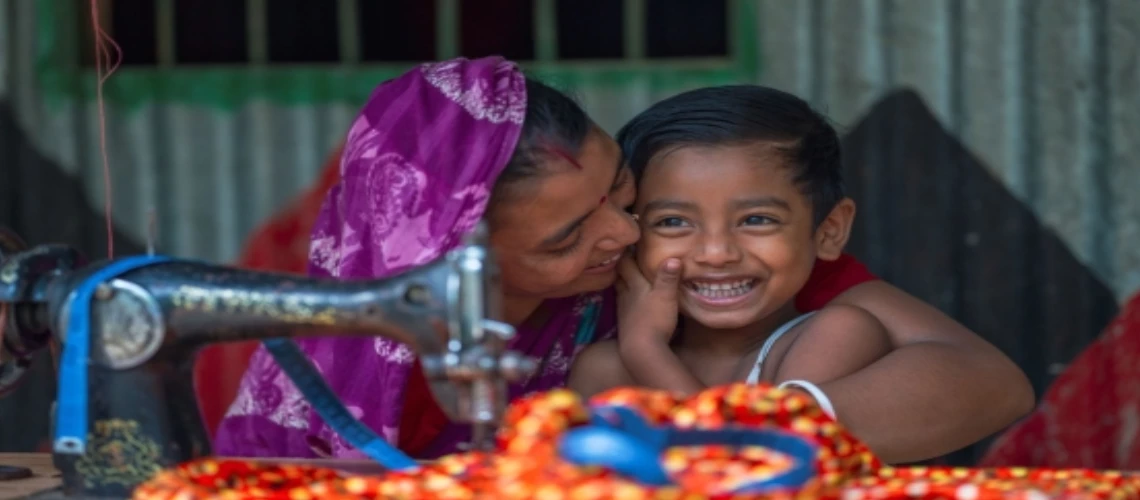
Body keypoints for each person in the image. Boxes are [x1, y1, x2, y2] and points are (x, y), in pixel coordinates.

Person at [214, 57, 1033, 464]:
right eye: (565, 238)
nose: (617, 236)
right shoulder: (336, 392)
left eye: (620, 194)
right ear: (452, 261)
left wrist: (771, 436)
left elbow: (987, 381)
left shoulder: (676, 272)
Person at [569, 86, 894, 421]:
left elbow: (758, 461)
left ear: (829, 231)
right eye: (673, 222)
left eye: (756, 220)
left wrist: (647, 352)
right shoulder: (604, 369)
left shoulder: (834, 336)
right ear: (632, 234)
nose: (716, 254)